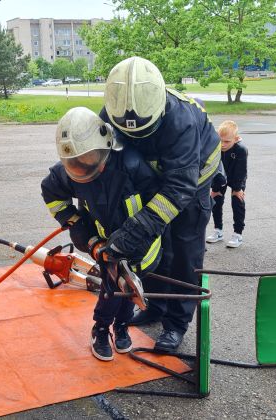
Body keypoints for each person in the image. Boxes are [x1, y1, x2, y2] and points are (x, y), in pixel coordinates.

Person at [98, 57, 221, 352]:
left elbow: (180, 187)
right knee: (154, 249)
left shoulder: (182, 121)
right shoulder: (110, 111)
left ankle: (176, 324)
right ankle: (154, 305)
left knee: (183, 253)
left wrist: (138, 226)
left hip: (193, 183)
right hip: (154, 178)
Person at [40, 107, 164, 361]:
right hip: (104, 242)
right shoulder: (69, 171)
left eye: (89, 158)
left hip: (139, 241)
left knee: (130, 287)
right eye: (75, 162)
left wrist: (140, 235)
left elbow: (158, 204)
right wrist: (78, 226)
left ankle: (121, 327)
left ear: (106, 145)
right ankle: (100, 328)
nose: (83, 167)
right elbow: (52, 195)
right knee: (111, 287)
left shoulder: (131, 165)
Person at [206, 120, 248, 248]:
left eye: (227, 141)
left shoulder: (241, 150)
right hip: (220, 177)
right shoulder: (216, 147)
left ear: (235, 139)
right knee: (216, 200)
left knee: (237, 201)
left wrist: (237, 188)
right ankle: (218, 230)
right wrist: (215, 187)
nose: (223, 145)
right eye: (220, 140)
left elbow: (241, 171)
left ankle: (238, 234)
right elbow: (213, 166)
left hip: (237, 178)